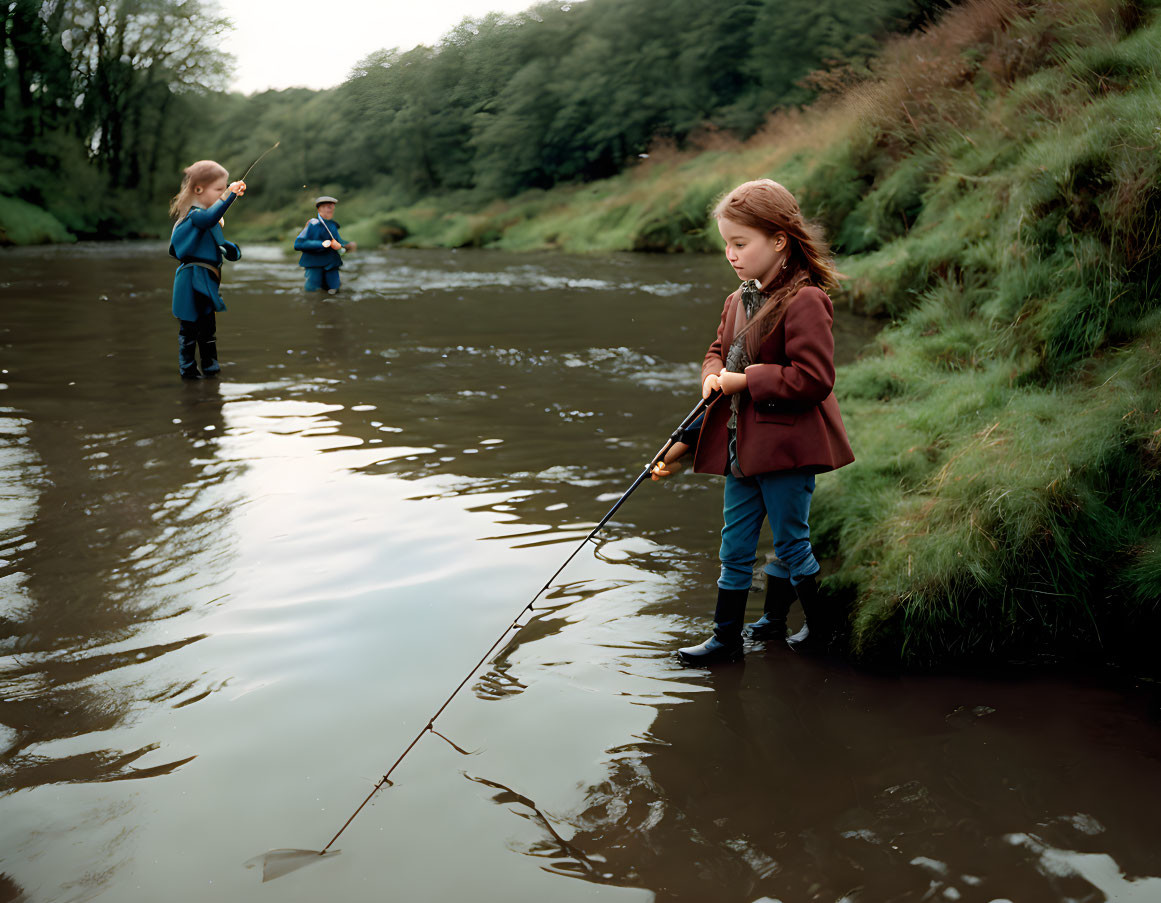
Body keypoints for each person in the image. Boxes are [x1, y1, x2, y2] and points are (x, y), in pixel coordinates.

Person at [652, 179, 855, 665]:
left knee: (790, 539)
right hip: (741, 450)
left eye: (741, 243)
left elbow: (813, 378)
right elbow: (717, 352)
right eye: (727, 244)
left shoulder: (806, 300)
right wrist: (710, 377)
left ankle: (820, 630)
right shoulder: (737, 299)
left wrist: (744, 381)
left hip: (788, 449)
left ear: (780, 240)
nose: (731, 254)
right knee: (735, 542)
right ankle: (726, 639)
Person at [168, 160, 246, 379]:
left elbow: (226, 249)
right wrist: (230, 194)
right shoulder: (194, 215)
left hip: (208, 279)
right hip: (191, 278)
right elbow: (209, 217)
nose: (222, 192)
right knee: (189, 327)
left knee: (208, 327)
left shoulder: (208, 223)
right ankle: (188, 371)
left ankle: (211, 369)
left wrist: (232, 250)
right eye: (218, 189)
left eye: (223, 188)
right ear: (199, 189)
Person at [294, 196, 356, 293]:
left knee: (335, 290)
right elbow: (299, 244)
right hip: (315, 264)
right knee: (312, 292)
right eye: (328, 206)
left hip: (331, 263)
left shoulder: (332, 225)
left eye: (332, 207)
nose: (331, 209)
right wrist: (322, 244)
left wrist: (348, 245)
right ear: (320, 208)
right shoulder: (312, 224)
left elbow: (337, 241)